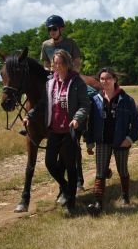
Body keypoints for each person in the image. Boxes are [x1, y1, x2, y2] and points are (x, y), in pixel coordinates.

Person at [25, 49, 90, 214]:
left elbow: (84, 104)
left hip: (69, 129)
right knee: (49, 163)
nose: (57, 66)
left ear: (67, 64)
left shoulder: (76, 82)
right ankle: (67, 187)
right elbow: (43, 104)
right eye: (55, 63)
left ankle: (71, 202)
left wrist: (77, 118)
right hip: (54, 129)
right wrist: (30, 115)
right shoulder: (50, 83)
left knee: (70, 165)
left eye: (61, 63)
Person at [85, 67, 138, 215]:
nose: (105, 81)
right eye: (102, 79)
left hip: (121, 142)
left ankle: (125, 196)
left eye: (108, 78)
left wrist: (129, 139)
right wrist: (89, 141)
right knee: (100, 172)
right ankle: (98, 202)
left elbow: (137, 122)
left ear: (115, 80)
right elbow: (89, 123)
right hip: (102, 142)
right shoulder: (95, 100)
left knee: (122, 170)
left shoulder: (126, 100)